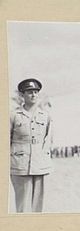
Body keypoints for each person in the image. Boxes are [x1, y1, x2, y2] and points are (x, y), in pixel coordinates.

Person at [10, 78, 53, 212]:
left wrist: (45, 159)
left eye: (35, 92)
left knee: (38, 206)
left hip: (40, 164)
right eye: (29, 92)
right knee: (22, 206)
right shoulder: (13, 115)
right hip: (20, 165)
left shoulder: (45, 116)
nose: (33, 95)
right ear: (22, 95)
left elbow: (48, 140)